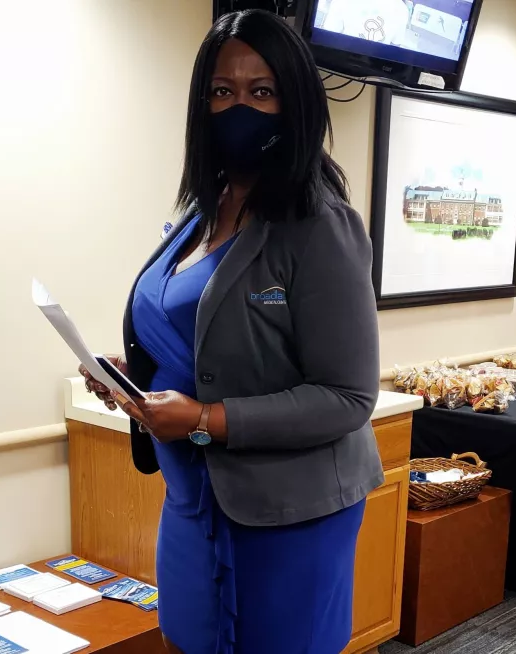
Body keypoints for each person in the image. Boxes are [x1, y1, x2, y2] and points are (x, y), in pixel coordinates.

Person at [80, 10, 382, 654]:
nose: (238, 106)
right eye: (222, 91)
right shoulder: (201, 210)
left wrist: (202, 418)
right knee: (187, 639)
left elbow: (349, 396)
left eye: (261, 91)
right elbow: (196, 336)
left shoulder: (321, 225)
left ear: (294, 103)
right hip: (193, 498)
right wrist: (135, 373)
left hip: (288, 511)